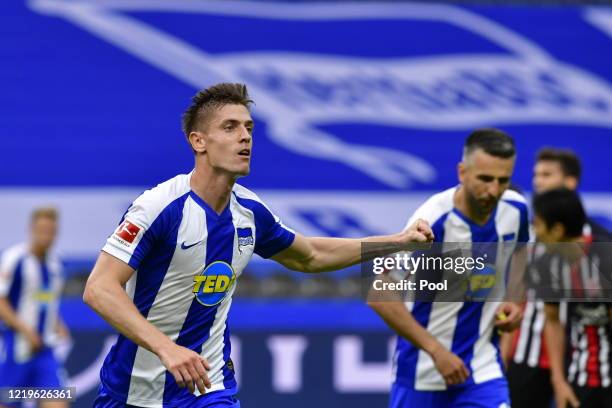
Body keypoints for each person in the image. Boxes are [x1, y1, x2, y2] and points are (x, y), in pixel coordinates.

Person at [83, 83, 433, 408]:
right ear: (198, 141)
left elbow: (310, 256)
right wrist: (166, 348)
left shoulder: (250, 213)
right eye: (230, 127)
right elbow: (99, 288)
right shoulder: (159, 207)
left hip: (208, 387)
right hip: (131, 391)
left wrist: (398, 241)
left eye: (249, 128)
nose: (245, 137)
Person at [369, 128, 529, 408]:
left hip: (483, 370)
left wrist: (514, 299)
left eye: (503, 180)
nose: (494, 190)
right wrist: (437, 351)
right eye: (485, 179)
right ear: (462, 172)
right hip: (422, 372)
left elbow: (521, 250)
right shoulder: (431, 221)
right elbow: (379, 295)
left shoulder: (516, 209)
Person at [505, 147, 610, 408]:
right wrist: (503, 352)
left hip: (585, 362)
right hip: (529, 353)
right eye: (536, 174)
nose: (538, 181)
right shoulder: (530, 238)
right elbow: (514, 295)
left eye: (547, 174)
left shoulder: (601, 247)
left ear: (571, 181)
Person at [530, 188, 612, 408]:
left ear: (557, 230)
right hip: (580, 379)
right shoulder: (546, 264)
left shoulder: (606, 258)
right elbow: (553, 320)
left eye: (537, 223)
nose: (534, 231)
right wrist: (558, 381)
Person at [0, 207, 70, 408]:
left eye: (51, 231)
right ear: (31, 229)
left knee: (58, 402)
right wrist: (26, 331)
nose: (46, 236)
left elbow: (44, 302)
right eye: (42, 230)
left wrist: (57, 323)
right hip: (17, 348)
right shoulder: (14, 259)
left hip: (45, 350)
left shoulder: (56, 265)